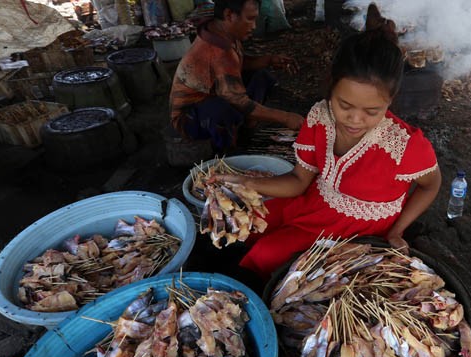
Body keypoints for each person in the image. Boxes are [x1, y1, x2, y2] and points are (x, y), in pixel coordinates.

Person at [209, 3, 441, 279]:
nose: (354, 119)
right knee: (248, 222)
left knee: (266, 254)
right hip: (314, 204)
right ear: (331, 86)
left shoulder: (404, 146)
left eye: (371, 111)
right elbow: (298, 181)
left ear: (390, 101)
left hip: (354, 231)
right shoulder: (320, 118)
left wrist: (397, 230)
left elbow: (431, 185)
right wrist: (246, 183)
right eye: (344, 105)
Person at [169, 0, 305, 151]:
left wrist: (269, 60)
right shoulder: (217, 50)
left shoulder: (220, 30)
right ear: (229, 15)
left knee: (260, 76)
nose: (253, 26)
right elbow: (239, 101)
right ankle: (227, 152)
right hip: (189, 117)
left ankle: (247, 125)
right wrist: (286, 117)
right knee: (225, 110)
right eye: (250, 19)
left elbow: (237, 64)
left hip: (214, 95)